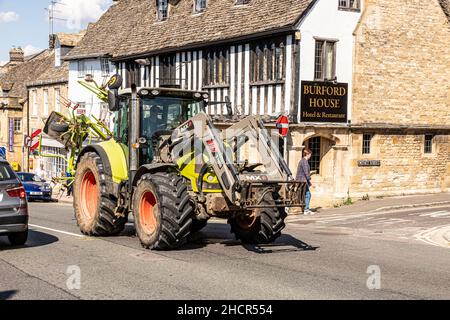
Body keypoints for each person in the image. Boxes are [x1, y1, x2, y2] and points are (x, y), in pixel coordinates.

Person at [296, 148, 314, 215]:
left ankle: (304, 208)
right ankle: (306, 210)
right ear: (308, 154)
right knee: (308, 194)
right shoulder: (304, 161)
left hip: (301, 180)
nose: (310, 156)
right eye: (310, 154)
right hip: (303, 181)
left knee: (302, 195)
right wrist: (310, 182)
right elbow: (306, 173)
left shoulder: (302, 161)